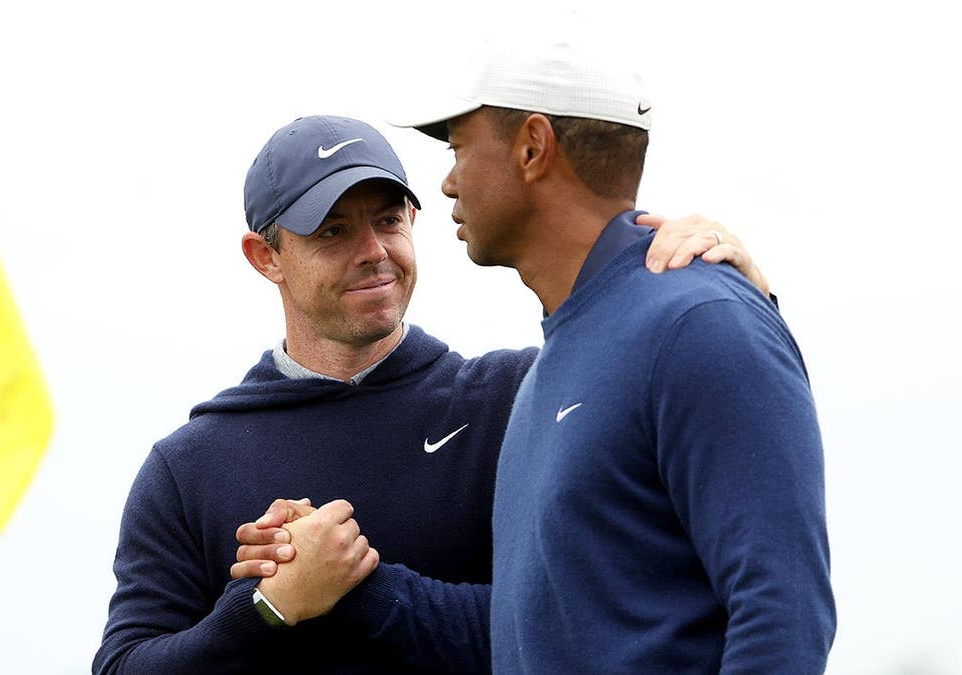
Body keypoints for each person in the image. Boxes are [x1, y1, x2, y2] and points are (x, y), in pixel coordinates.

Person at [92, 114, 770, 674]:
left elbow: (588, 622)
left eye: (388, 220)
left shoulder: (519, 398)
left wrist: (739, 290)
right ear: (264, 255)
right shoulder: (190, 467)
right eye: (333, 232)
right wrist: (267, 606)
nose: (373, 251)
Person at [386, 39, 836, 672]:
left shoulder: (701, 322)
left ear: (532, 148)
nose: (448, 180)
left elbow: (782, 615)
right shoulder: (555, 362)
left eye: (460, 147)